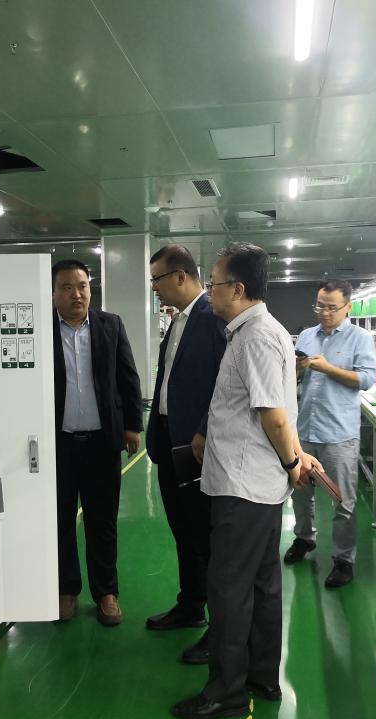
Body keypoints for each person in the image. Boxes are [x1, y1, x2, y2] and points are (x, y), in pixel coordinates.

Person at [171, 242, 319, 719]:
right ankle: (260, 675)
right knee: (262, 583)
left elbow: (273, 415)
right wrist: (296, 455)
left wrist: (293, 460)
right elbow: (280, 410)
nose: (209, 290)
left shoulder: (255, 336)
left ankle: (226, 691)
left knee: (229, 590)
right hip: (256, 483)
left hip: (243, 486)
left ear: (237, 289)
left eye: (214, 283)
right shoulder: (260, 331)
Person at [145, 245, 227, 665]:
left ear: (180, 276)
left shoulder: (212, 319)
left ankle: (221, 628)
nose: (154, 288)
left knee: (206, 538)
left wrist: (205, 430)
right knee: (183, 530)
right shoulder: (177, 321)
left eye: (156, 279)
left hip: (197, 447)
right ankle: (191, 603)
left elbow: (225, 384)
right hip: (169, 442)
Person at [51, 259, 143, 626]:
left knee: (102, 521)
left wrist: (132, 426)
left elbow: (128, 376)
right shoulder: (41, 329)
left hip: (101, 443)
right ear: (53, 293)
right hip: (57, 444)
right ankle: (65, 589)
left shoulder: (110, 325)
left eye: (83, 286)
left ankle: (106, 592)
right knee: (60, 520)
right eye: (67, 287)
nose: (77, 294)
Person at [284, 279, 376, 587]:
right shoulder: (307, 336)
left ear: (348, 307)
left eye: (331, 308)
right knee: (300, 492)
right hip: (305, 430)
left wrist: (327, 368)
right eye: (319, 306)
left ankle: (343, 559)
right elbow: (293, 378)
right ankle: (304, 538)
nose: (324, 313)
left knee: (342, 500)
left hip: (339, 434)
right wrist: (298, 367)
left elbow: (366, 380)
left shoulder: (359, 338)